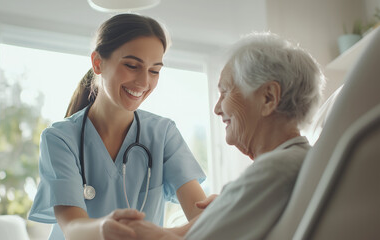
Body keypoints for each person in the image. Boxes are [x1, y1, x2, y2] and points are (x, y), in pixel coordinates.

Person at [124, 32, 325, 239]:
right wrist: (225, 208)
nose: (217, 108)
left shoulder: (276, 168)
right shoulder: (301, 162)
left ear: (268, 98)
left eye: (226, 92)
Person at [28, 13, 206, 240]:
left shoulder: (163, 134)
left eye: (155, 71)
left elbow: (200, 214)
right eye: (132, 65)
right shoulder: (60, 138)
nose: (144, 82)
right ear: (97, 63)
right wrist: (105, 229)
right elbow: (73, 228)